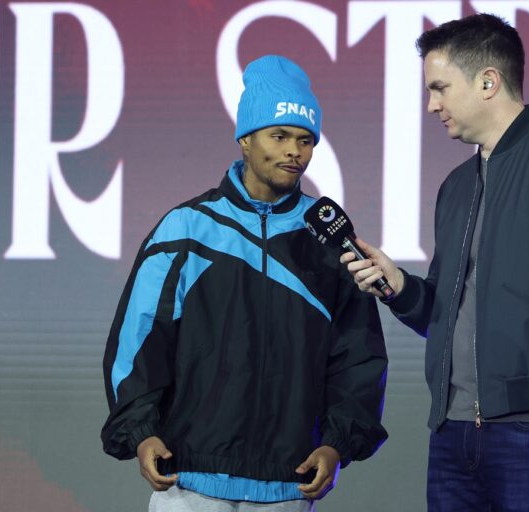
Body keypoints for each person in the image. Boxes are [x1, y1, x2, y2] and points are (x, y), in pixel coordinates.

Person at [341, 13, 529, 512]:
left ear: (488, 82)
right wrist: (400, 288)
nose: (431, 105)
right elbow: (446, 314)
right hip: (453, 435)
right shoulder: (456, 187)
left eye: (439, 88)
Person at [101, 55, 388, 512]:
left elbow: (358, 356)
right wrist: (141, 433)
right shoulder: (186, 228)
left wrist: (337, 444)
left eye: (305, 140)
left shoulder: (329, 241)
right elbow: (139, 340)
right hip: (187, 483)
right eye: (279, 136)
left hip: (287, 487)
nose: (294, 151)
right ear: (246, 140)